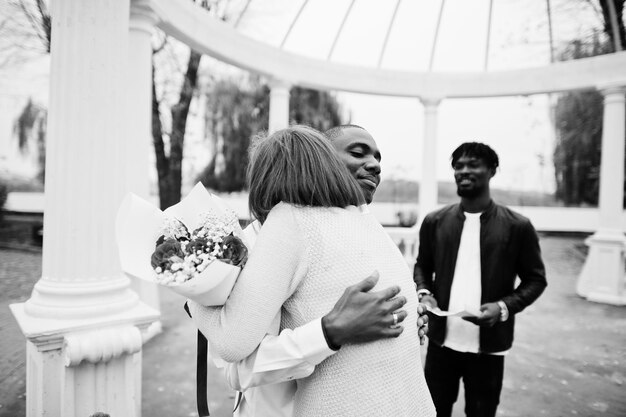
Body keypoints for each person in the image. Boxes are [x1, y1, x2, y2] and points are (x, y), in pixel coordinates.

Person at [190, 125, 436, 417]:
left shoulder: (360, 224)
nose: (375, 166)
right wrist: (329, 331)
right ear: (324, 161)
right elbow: (238, 370)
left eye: (378, 158)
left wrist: (401, 318)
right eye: (358, 153)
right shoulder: (261, 240)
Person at [414, 142, 547, 417]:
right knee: (433, 410)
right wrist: (425, 292)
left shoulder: (517, 226)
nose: (464, 171)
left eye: (473, 164)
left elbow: (536, 279)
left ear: (492, 171)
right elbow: (422, 266)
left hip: (489, 348)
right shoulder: (435, 221)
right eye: (458, 166)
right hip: (441, 343)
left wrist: (503, 307)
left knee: (482, 412)